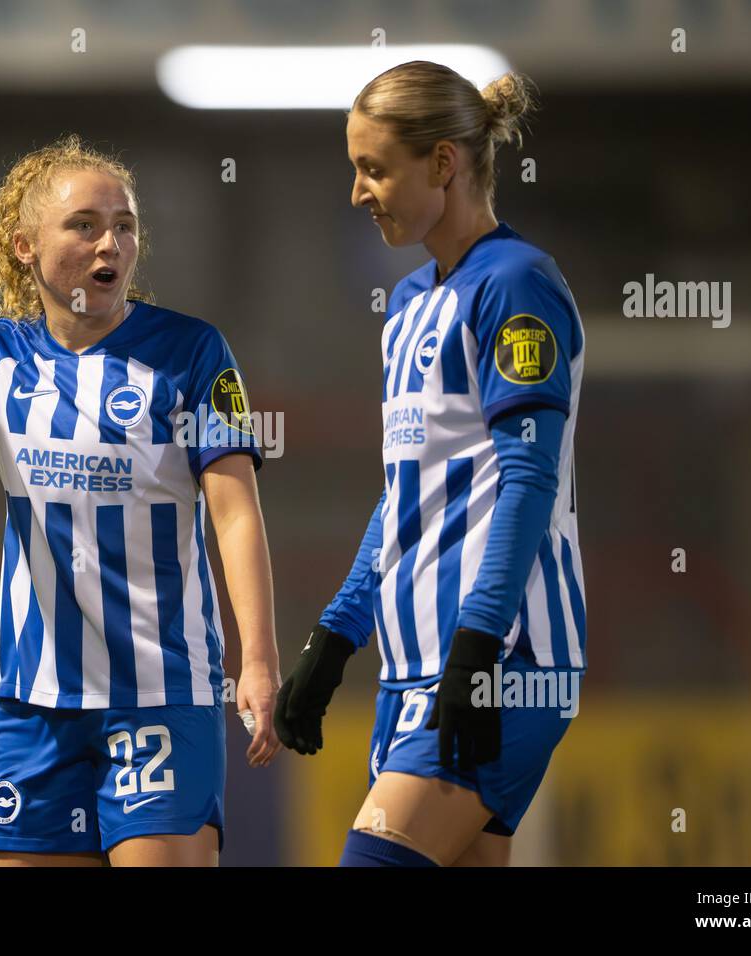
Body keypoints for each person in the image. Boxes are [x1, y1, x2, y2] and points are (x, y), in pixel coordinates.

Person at [0, 135, 280, 867]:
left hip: (162, 690)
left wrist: (259, 661)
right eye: (85, 224)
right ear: (23, 245)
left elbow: (235, 514)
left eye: (126, 224)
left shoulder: (194, 352)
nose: (112, 241)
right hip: (34, 702)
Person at [274, 62, 587, 867]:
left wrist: (478, 647)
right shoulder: (410, 303)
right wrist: (336, 638)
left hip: (502, 662)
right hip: (415, 669)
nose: (357, 192)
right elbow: (404, 497)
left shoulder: (516, 284)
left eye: (374, 169)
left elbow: (527, 479)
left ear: (443, 164)